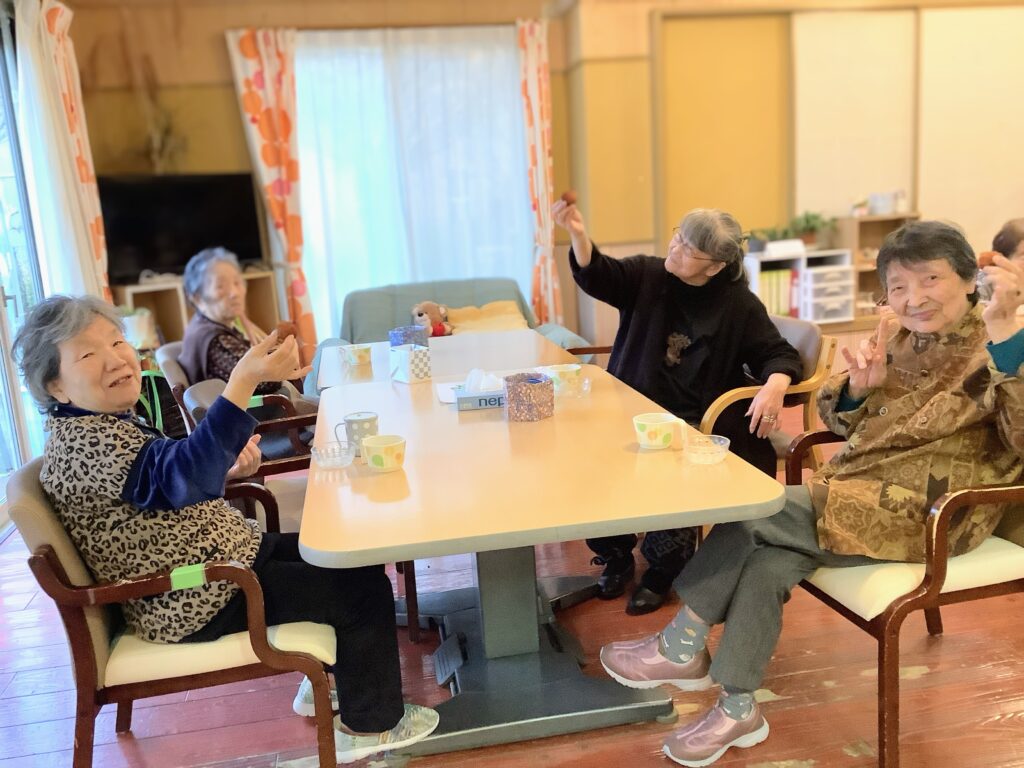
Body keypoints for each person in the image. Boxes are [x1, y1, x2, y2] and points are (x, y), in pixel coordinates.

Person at [598, 220, 1024, 767]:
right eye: (898, 286)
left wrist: (1006, 336)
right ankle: (738, 706)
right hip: (856, 490)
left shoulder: (1004, 340)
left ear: (968, 279)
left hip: (935, 511)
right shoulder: (899, 337)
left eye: (930, 279)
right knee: (768, 560)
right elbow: (838, 420)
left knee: (756, 510)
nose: (913, 298)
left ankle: (681, 644)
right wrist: (856, 395)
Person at [12, 296, 439, 763]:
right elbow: (181, 473)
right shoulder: (91, 446)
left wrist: (225, 471)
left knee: (343, 552)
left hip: (224, 558)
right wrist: (243, 380)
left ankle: (341, 684)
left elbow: (163, 484)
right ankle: (370, 728)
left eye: (117, 342)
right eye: (88, 354)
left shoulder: (92, 428)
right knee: (361, 592)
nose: (115, 359)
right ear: (55, 386)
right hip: (197, 596)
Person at [552, 202, 804, 614]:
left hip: (692, 420)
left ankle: (662, 571)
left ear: (716, 266)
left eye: (689, 249)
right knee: (588, 454)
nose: (675, 248)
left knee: (678, 468)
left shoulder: (738, 305)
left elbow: (776, 352)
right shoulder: (648, 276)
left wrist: (776, 383)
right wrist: (579, 234)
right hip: (628, 409)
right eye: (678, 237)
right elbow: (600, 274)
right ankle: (616, 554)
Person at [179, 247, 313, 410]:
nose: (234, 293)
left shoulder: (203, 325)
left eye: (237, 283)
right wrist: (282, 356)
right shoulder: (216, 340)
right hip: (265, 415)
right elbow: (264, 382)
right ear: (197, 298)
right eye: (220, 287)